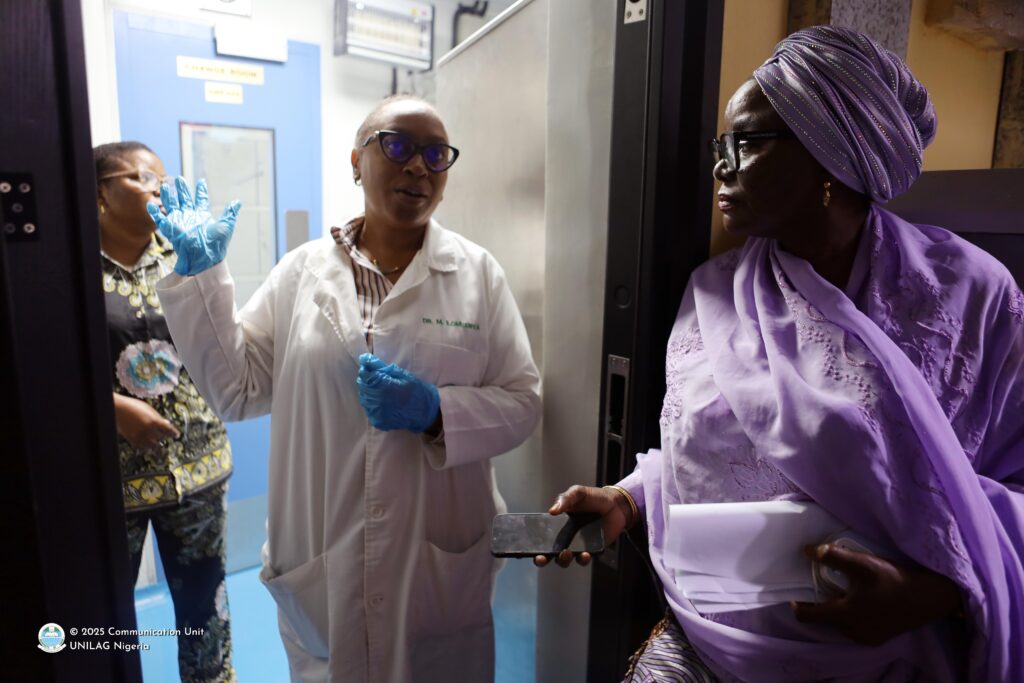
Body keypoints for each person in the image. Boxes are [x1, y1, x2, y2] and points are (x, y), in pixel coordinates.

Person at [540, 26, 1024, 682]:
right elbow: (712, 455)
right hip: (709, 637)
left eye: (746, 142)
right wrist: (625, 499)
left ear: (829, 156)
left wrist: (930, 595)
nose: (721, 165)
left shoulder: (968, 295)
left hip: (886, 651)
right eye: (721, 146)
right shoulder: (715, 289)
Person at [152, 95, 542, 683]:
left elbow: (523, 401)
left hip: (436, 567)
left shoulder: (477, 274)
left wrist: (437, 411)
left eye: (436, 154)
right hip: (322, 555)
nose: (418, 166)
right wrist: (201, 277)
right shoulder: (300, 272)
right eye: (397, 145)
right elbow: (238, 388)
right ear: (357, 161)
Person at [95, 141, 235, 682]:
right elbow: (40, 364)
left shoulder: (184, 254)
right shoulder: (63, 267)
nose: (159, 187)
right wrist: (111, 407)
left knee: (206, 607)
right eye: (141, 177)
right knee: (101, 614)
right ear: (100, 195)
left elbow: (224, 339)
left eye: (162, 177)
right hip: (112, 481)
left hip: (200, 467)